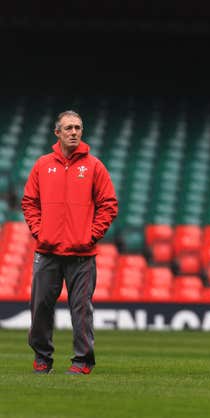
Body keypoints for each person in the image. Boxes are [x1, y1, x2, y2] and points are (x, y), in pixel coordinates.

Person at [22, 110, 118, 375]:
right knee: (40, 306)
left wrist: (91, 234)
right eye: (68, 128)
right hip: (47, 250)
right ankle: (42, 357)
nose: (74, 132)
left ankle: (82, 360)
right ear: (57, 133)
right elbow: (29, 202)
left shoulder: (94, 166)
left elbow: (109, 204)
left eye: (78, 127)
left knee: (81, 310)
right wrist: (39, 231)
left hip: (82, 254)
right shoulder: (42, 165)